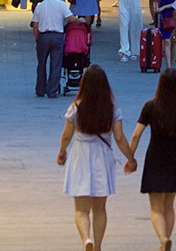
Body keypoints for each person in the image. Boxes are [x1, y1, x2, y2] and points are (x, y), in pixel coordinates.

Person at [57, 64, 138, 251]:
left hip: (81, 155)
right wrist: (131, 158)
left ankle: (86, 240)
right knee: (100, 209)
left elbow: (67, 135)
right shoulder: (112, 109)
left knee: (81, 209)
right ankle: (98, 246)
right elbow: (119, 138)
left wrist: (62, 151)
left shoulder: (75, 107)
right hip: (102, 156)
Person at [128, 68, 176, 251]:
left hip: (155, 157)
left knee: (156, 207)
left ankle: (163, 238)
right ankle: (166, 238)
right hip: (174, 156)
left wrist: (130, 157)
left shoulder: (150, 106)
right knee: (169, 205)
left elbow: (136, 135)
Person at [32, 0, 74, 98]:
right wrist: (80, 20)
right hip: (57, 36)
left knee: (41, 64)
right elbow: (70, 18)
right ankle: (52, 91)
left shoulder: (40, 7)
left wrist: (37, 39)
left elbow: (35, 25)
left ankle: (40, 89)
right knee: (56, 64)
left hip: (43, 36)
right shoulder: (61, 4)